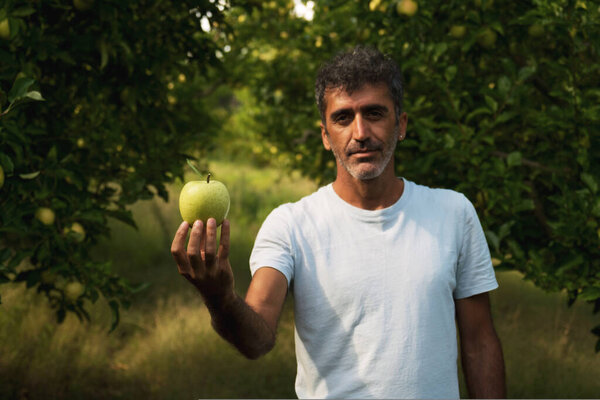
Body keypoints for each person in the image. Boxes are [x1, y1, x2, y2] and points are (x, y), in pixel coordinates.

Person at [171, 46, 506, 399]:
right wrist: (219, 297)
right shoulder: (291, 225)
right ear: (326, 136)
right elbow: (257, 340)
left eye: (374, 113)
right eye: (343, 118)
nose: (360, 132)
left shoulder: (454, 213)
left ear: (401, 124)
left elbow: (480, 341)